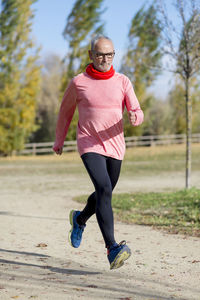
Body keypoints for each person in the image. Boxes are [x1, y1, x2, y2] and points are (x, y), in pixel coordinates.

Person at [53, 34, 144, 270]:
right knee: (104, 189)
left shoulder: (123, 81)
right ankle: (112, 247)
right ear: (91, 55)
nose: (106, 59)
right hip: (89, 143)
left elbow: (136, 108)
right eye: (101, 54)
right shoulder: (78, 82)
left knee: (105, 192)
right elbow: (65, 112)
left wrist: (136, 116)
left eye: (110, 54)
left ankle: (79, 219)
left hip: (115, 145)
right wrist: (59, 140)